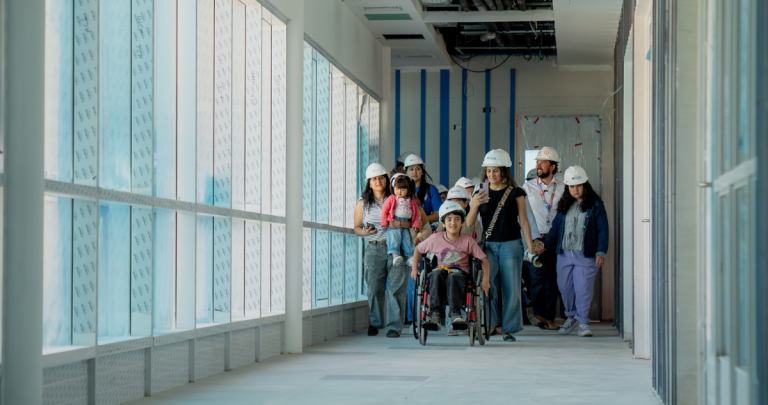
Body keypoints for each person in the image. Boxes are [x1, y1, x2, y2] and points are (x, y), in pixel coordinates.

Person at [466, 149, 541, 342]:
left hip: (512, 245)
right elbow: (469, 222)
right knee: (487, 285)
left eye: (495, 171)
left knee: (512, 288)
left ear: (504, 171)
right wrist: (474, 203)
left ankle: (509, 329)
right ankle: (492, 323)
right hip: (489, 246)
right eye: (488, 171)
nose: (491, 175)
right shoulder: (479, 191)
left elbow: (524, 221)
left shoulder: (516, 192)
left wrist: (530, 248)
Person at [541, 166, 609, 337]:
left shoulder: (596, 206)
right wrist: (542, 246)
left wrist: (601, 252)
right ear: (567, 188)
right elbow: (555, 230)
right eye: (572, 186)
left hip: (586, 255)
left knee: (583, 288)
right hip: (564, 255)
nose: (575, 189)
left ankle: (584, 323)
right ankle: (571, 318)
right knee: (565, 288)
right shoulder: (564, 206)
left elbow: (603, 230)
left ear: (585, 185)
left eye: (579, 185)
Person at [411, 201, 490, 331]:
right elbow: (418, 250)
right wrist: (414, 268)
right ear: (443, 223)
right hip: (441, 271)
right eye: (449, 219)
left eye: (457, 219)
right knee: (434, 274)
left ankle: (455, 314)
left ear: (462, 223)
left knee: (454, 276)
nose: (453, 223)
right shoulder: (435, 238)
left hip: (460, 273)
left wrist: (485, 280)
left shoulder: (468, 240)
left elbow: (484, 260)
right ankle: (435, 314)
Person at [354, 163, 408, 338]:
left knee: (396, 288)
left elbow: (413, 220)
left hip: (396, 249)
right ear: (369, 183)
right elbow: (356, 227)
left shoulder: (398, 199)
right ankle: (376, 322)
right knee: (374, 289)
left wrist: (398, 224)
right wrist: (366, 232)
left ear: (387, 180)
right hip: (374, 249)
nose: (378, 181)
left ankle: (394, 326)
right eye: (374, 179)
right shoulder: (362, 203)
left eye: (381, 178)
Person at [521, 147, 565, 331]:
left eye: (543, 163)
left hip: (555, 239)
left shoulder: (563, 188)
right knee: (536, 278)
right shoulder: (527, 188)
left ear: (553, 167)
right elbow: (522, 216)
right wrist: (529, 241)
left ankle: (549, 317)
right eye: (538, 163)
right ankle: (539, 315)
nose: (539, 166)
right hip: (535, 239)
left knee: (553, 279)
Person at [381, 175, 421, 266]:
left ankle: (411, 257)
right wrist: (384, 223)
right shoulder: (392, 198)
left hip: (406, 222)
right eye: (397, 188)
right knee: (394, 238)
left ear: (408, 190)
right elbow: (384, 211)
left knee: (408, 239)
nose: (399, 191)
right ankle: (395, 256)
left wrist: (415, 225)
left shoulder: (412, 200)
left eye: (402, 189)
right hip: (393, 221)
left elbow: (416, 214)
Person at [403, 154, 442, 223]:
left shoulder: (431, 189)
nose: (414, 172)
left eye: (417, 169)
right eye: (411, 169)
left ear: (422, 172)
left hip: (425, 229)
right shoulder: (400, 190)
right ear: (406, 172)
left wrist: (420, 220)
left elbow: (438, 214)